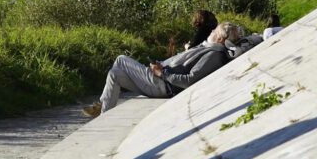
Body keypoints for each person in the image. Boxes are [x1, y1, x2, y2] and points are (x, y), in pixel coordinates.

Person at [83, 20, 239, 117]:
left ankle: (102, 106)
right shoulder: (208, 48)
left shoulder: (213, 55)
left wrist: (162, 73)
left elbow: (190, 80)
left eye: (214, 31)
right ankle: (104, 113)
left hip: (163, 84)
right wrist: (161, 65)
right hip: (161, 79)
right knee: (114, 74)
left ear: (220, 38)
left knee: (121, 59)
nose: (211, 31)